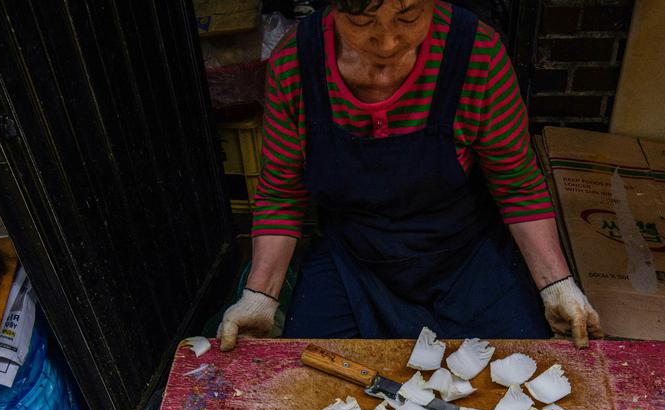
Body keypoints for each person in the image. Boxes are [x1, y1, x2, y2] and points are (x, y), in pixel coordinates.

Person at [217, 0, 602, 351]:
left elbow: (518, 185)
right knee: (311, 380)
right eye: (361, 20)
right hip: (353, 259)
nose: (386, 43)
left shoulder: (476, 54)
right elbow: (281, 196)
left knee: (523, 369)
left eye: (408, 16)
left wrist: (557, 286)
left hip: (464, 256)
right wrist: (261, 296)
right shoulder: (295, 64)